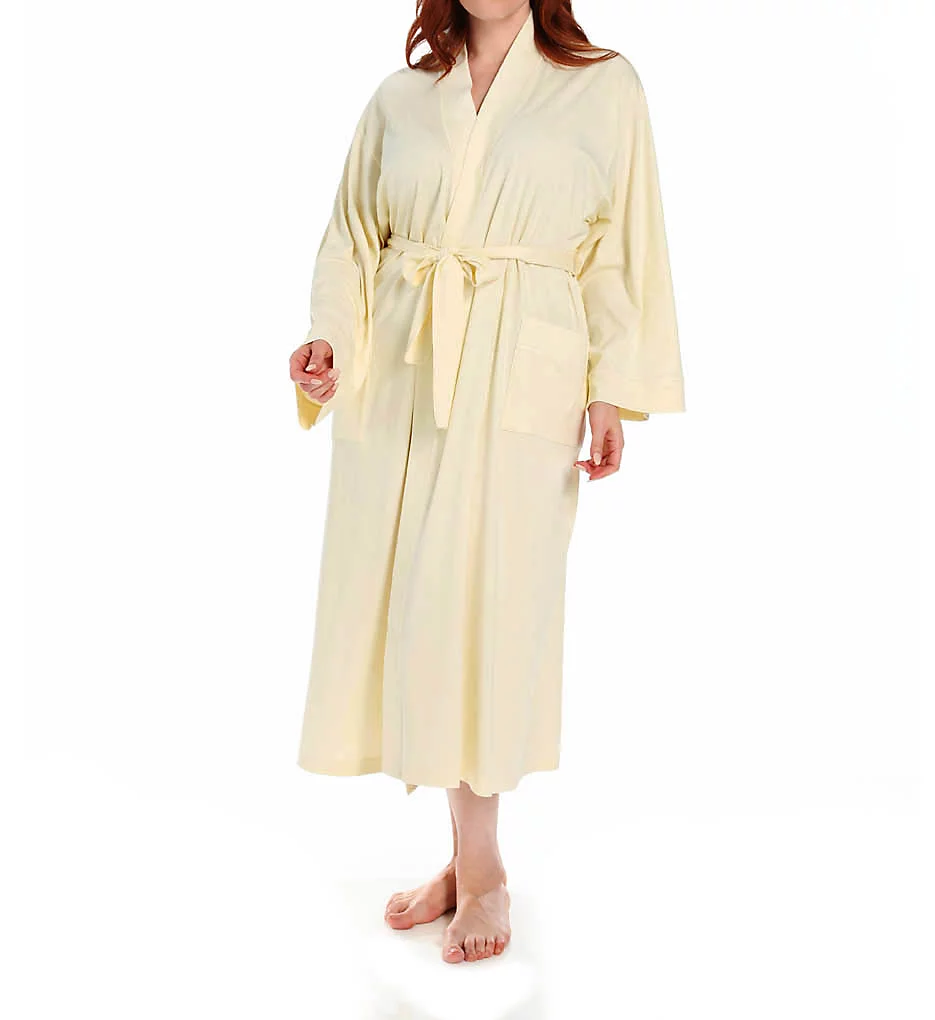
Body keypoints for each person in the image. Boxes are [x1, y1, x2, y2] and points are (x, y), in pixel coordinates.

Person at [287, 0, 685, 965]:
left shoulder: (603, 85)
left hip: (522, 372)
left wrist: (608, 387)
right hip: (402, 373)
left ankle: (484, 865)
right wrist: (329, 339)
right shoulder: (401, 96)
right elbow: (351, 238)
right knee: (417, 616)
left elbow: (621, 251)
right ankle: (468, 860)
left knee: (486, 613)